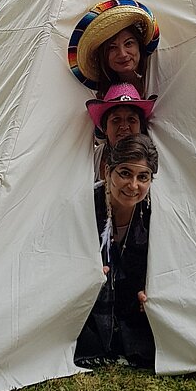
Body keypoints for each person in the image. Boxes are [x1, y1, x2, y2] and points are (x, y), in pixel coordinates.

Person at [75, 133, 158, 370]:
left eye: (143, 177)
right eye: (124, 173)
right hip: (88, 306)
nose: (133, 186)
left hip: (132, 307)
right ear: (107, 172)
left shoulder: (155, 212)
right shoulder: (84, 204)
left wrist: (150, 288)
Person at [68, 0, 160, 99]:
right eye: (112, 47)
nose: (122, 54)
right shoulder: (100, 96)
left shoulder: (159, 76)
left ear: (139, 45)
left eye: (128, 43)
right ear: (103, 55)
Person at [86, 83, 157, 181]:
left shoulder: (149, 160)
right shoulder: (92, 159)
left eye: (131, 119)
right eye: (116, 120)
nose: (124, 127)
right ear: (105, 128)